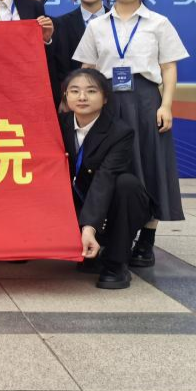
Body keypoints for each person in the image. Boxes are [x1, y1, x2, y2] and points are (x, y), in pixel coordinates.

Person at [73, 0, 189, 268]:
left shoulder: (158, 23)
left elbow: (168, 67)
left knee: (150, 167)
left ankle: (146, 240)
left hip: (146, 101)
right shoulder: (97, 26)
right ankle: (108, 233)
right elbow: (87, 68)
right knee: (109, 168)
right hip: (107, 102)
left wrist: (166, 105)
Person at [58, 68, 150, 289]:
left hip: (107, 201)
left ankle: (116, 263)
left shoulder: (119, 132)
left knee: (126, 184)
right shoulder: (56, 125)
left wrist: (89, 226)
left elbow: (105, 178)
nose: (82, 97)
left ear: (105, 97)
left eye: (91, 91)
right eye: (74, 91)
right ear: (66, 96)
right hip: (70, 199)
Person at [49, 0, 108, 110]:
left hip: (113, 94)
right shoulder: (61, 23)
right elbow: (59, 66)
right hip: (76, 100)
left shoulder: (118, 20)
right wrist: (65, 97)